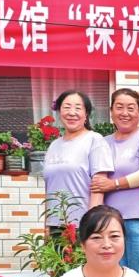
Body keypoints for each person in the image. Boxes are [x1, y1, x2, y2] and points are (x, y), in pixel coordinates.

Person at [90, 88, 139, 277]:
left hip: (137, 220)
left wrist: (112, 184)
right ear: (111, 111)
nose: (125, 113)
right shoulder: (102, 142)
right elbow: (96, 180)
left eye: (131, 108)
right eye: (119, 107)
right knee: (112, 275)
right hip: (108, 222)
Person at [43, 90, 113, 229]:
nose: (72, 113)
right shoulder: (53, 145)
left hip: (82, 225)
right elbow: (49, 189)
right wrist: (46, 226)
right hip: (55, 225)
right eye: (66, 107)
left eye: (78, 108)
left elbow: (98, 187)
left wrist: (91, 226)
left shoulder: (94, 140)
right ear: (59, 112)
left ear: (86, 114)